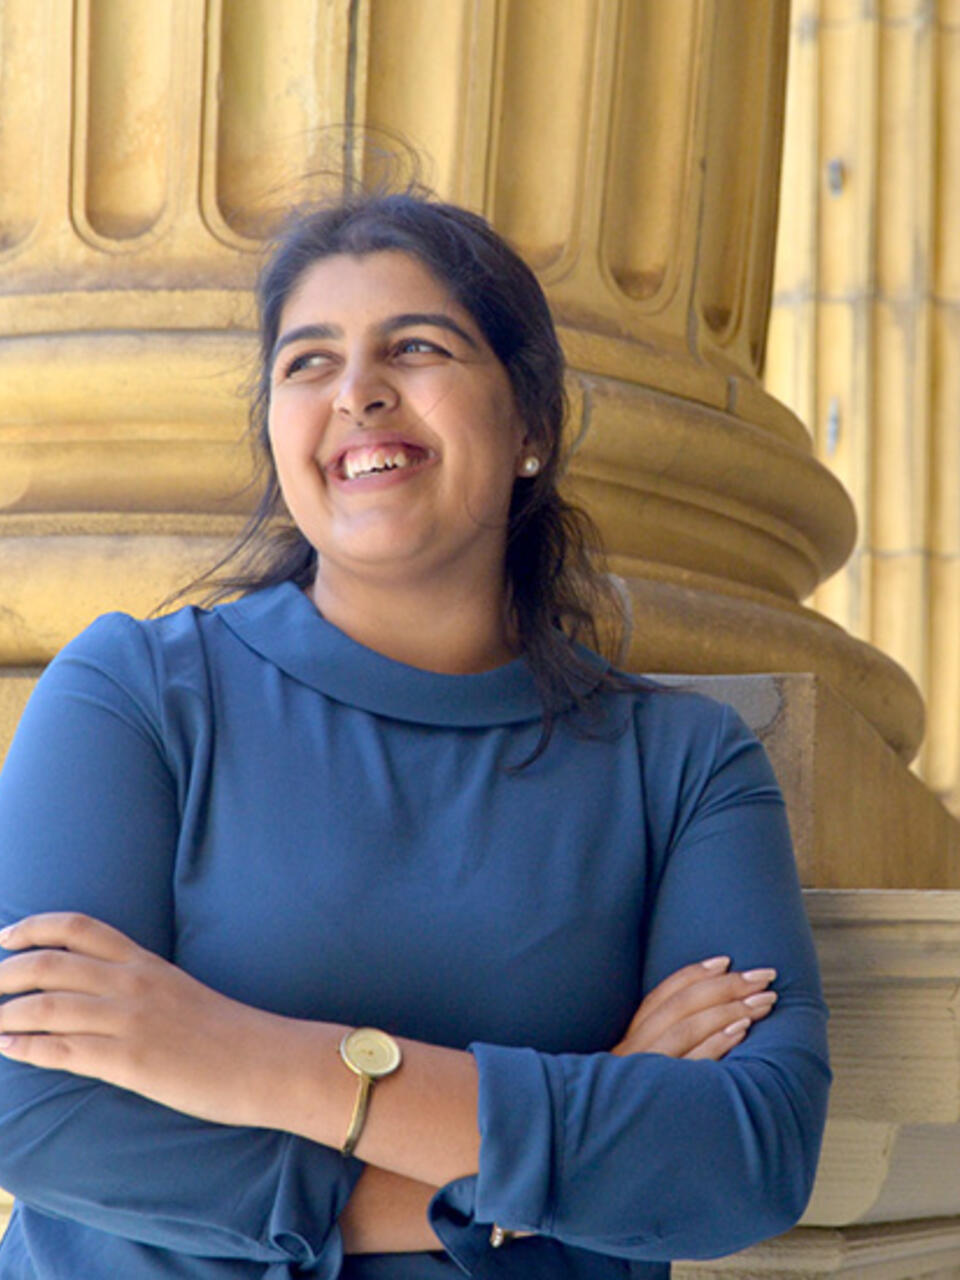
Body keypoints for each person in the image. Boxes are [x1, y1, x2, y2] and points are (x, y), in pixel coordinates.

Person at [0, 191, 830, 1279]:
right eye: (307, 362)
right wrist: (539, 1155)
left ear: (533, 421)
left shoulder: (681, 765)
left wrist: (240, 1056)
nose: (357, 392)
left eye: (417, 345)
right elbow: (35, 1107)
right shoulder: (135, 695)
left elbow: (744, 1155)